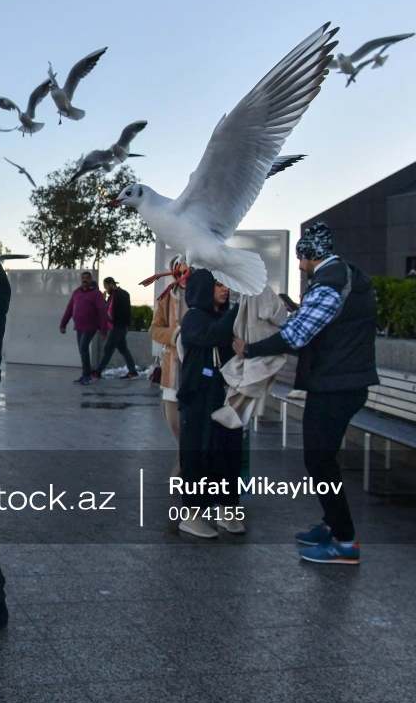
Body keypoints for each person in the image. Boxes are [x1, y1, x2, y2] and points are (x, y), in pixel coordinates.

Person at [235, 221, 378, 565]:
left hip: (336, 386)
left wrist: (249, 349)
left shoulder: (328, 285)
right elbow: (321, 328)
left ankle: (344, 543)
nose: (300, 266)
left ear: (314, 256)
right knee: (322, 459)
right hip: (342, 382)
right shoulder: (347, 278)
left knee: (319, 460)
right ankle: (331, 526)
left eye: (303, 259)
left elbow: (296, 336)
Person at [176, 269, 243, 538]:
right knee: (197, 455)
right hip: (198, 398)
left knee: (228, 453)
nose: (224, 290)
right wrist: (237, 311)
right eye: (217, 285)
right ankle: (191, 515)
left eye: (226, 284)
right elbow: (212, 335)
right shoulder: (193, 318)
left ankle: (228, 510)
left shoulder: (223, 317)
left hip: (223, 396)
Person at [150, 257, 188, 451]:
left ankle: (181, 475)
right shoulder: (167, 297)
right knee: (174, 424)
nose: (183, 278)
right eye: (179, 273)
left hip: (197, 371)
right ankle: (185, 472)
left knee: (190, 433)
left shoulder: (205, 296)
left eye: (188, 273)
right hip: (172, 371)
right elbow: (154, 330)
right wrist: (174, 335)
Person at [59, 271, 108, 384]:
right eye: (83, 278)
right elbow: (69, 308)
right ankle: (85, 374)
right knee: (82, 351)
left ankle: (87, 375)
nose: (84, 280)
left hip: (90, 326)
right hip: (79, 326)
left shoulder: (96, 294)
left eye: (87, 278)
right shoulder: (77, 293)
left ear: (91, 280)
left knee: (83, 348)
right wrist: (63, 324)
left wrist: (103, 330)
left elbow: (102, 312)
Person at [94, 276, 138, 379]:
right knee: (123, 349)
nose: (106, 289)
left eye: (106, 287)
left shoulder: (122, 294)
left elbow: (122, 311)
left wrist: (117, 320)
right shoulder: (111, 296)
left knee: (108, 348)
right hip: (116, 326)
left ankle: (98, 371)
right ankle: (132, 371)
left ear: (110, 284)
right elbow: (107, 310)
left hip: (118, 326)